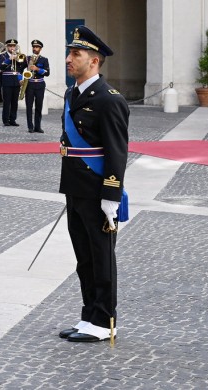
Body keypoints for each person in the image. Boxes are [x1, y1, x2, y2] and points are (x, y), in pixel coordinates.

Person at [58, 26, 129, 343]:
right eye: (69, 53)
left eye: (76, 54)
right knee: (83, 257)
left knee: (101, 257)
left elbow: (117, 151)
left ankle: (105, 321)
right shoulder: (72, 94)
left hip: (98, 190)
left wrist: (111, 196)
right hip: (75, 188)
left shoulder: (108, 100)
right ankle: (90, 315)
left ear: (95, 61)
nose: (69, 59)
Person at [25, 39, 51, 133]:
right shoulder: (27, 58)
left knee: (39, 106)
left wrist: (37, 69)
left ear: (40, 49)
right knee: (29, 106)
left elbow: (47, 73)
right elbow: (19, 69)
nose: (35, 49)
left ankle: (38, 126)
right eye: (34, 47)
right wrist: (20, 78)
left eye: (37, 47)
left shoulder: (44, 59)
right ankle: (30, 126)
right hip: (30, 83)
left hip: (40, 84)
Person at [0, 39, 23, 126]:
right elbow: (1, 66)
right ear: (7, 46)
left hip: (16, 81)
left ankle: (13, 119)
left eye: (13, 46)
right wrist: (9, 59)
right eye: (10, 46)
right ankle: (5, 120)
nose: (12, 48)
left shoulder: (18, 55)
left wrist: (20, 78)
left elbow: (20, 69)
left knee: (14, 101)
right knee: (7, 101)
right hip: (7, 80)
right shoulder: (2, 56)